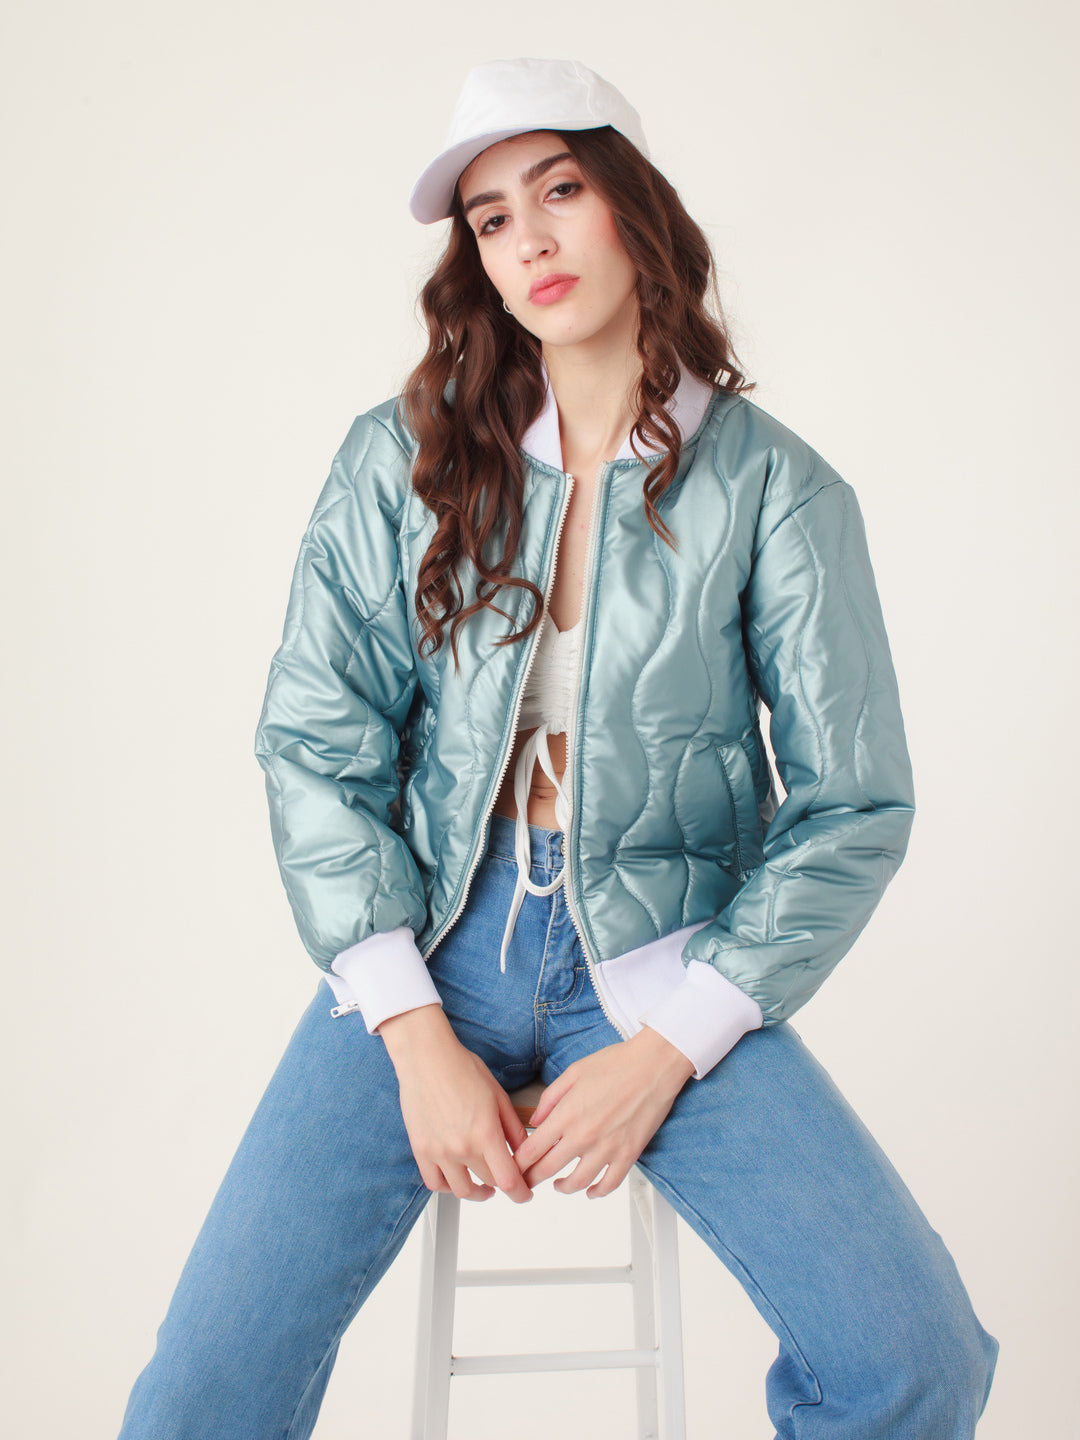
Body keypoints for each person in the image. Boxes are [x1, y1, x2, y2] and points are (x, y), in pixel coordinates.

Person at [119, 57, 998, 1439]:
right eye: (490, 218)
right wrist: (413, 1034)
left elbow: (853, 805)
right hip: (428, 942)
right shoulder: (400, 460)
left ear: (634, 208)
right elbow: (315, 747)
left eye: (561, 190)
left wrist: (674, 1045)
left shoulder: (776, 488)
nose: (528, 239)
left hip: (664, 961)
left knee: (916, 1357)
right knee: (197, 1399)